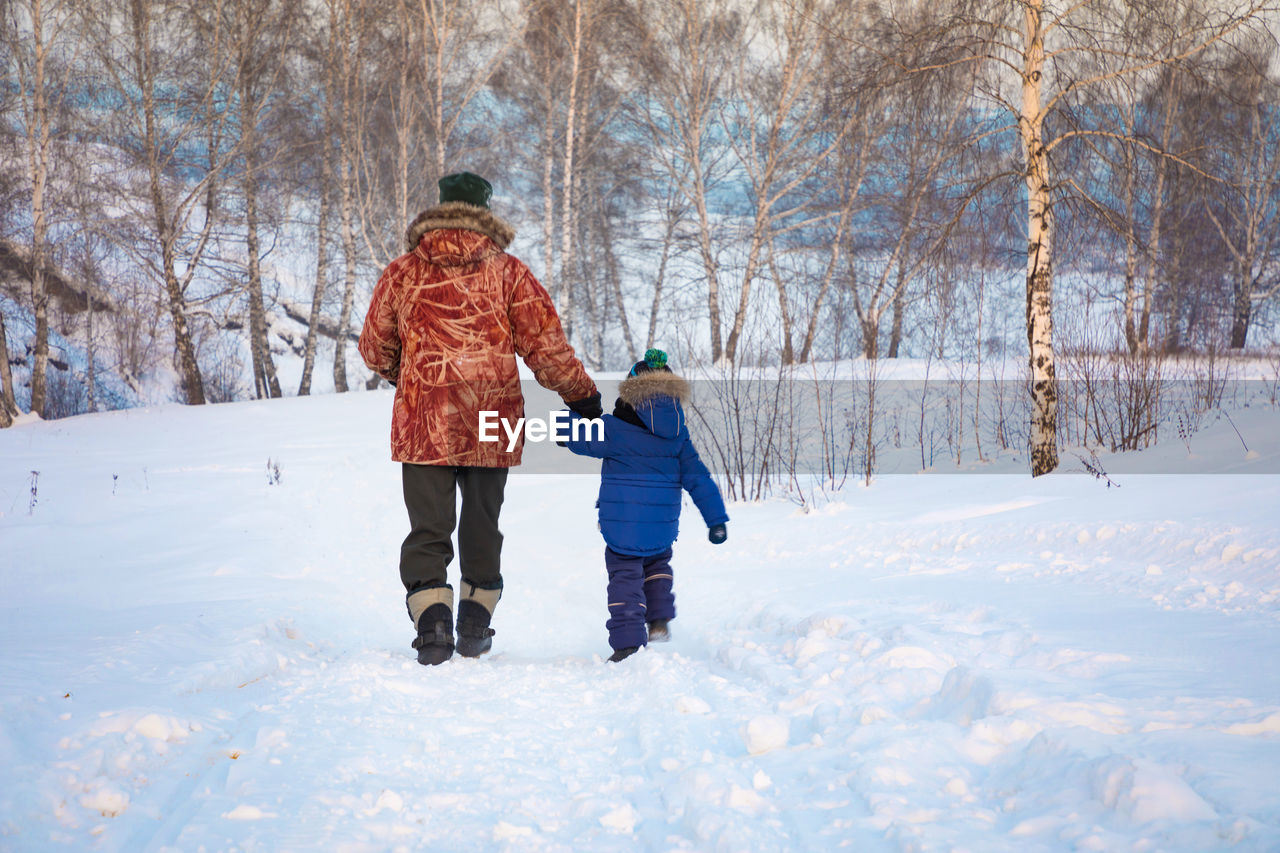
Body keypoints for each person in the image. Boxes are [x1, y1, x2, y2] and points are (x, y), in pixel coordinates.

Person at [359, 171, 602, 666]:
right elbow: (546, 347)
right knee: (482, 520)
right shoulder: (509, 272)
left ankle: (432, 628)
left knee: (428, 526)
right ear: (484, 214)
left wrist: (405, 377)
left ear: (441, 209)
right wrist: (582, 396)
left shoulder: (402, 272)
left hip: (423, 419)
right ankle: (473, 622)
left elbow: (373, 346)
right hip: (492, 415)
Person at [561, 348, 728, 661]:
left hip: (622, 527)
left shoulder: (613, 430)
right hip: (661, 528)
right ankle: (660, 618)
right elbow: (699, 479)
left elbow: (575, 436)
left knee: (625, 577)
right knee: (656, 566)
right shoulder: (679, 436)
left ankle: (627, 643)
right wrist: (716, 519)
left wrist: (571, 411)